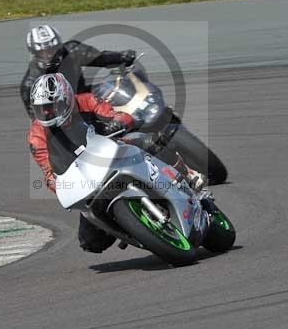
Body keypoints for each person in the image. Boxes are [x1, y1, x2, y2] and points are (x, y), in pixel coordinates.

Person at [27, 73, 203, 253]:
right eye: (42, 109)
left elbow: (118, 115)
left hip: (114, 150)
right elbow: (48, 171)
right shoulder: (36, 136)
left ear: (67, 99)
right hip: (86, 179)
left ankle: (188, 174)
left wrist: (118, 122)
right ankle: (131, 227)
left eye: (52, 106)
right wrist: (58, 184)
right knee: (90, 243)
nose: (48, 113)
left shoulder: (86, 101)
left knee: (150, 141)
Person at [20, 24, 136, 119]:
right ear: (34, 53)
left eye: (52, 49)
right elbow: (38, 119)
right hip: (64, 117)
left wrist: (121, 57)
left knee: (111, 85)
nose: (50, 54)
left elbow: (99, 57)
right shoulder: (30, 83)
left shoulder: (72, 50)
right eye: (44, 52)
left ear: (59, 46)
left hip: (85, 98)